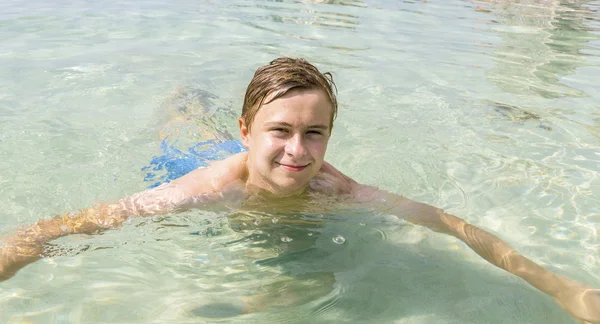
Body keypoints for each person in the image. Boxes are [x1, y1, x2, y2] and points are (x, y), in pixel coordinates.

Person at [1, 57, 599, 323]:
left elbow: (452, 225)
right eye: (280, 131)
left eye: (315, 133)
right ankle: (184, 99)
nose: (298, 151)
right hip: (193, 162)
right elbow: (89, 221)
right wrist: (16, 251)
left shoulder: (339, 192)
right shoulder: (202, 190)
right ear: (249, 132)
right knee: (181, 129)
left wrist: (559, 286)